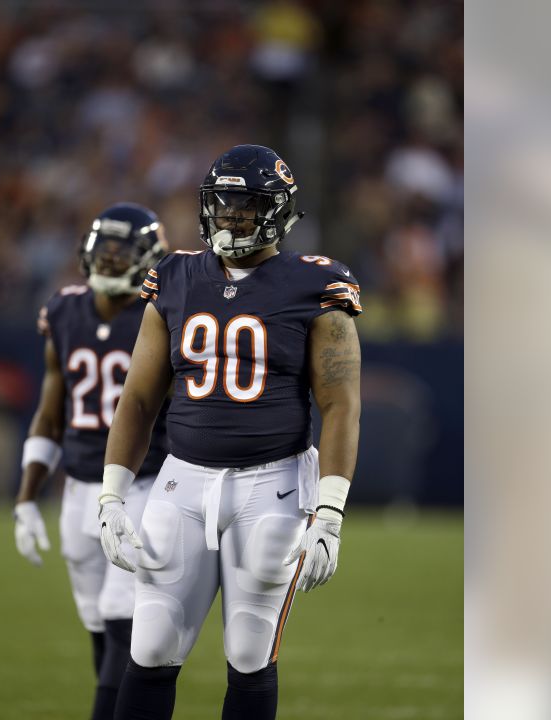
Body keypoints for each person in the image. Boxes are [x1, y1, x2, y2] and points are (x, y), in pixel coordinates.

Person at [97, 145, 363, 720]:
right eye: (223, 203)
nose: (232, 217)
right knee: (150, 646)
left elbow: (340, 405)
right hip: (182, 480)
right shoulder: (172, 277)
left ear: (279, 211)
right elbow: (139, 398)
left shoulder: (315, 284)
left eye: (247, 205)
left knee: (248, 649)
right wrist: (112, 495)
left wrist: (331, 512)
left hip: (274, 484)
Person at [14, 203, 170, 720]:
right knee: (98, 624)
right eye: (102, 249)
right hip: (78, 488)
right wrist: (25, 499)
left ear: (146, 258)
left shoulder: (162, 312)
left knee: (120, 611)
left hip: (142, 483)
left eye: (119, 252)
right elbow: (50, 410)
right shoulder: (63, 310)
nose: (107, 260)